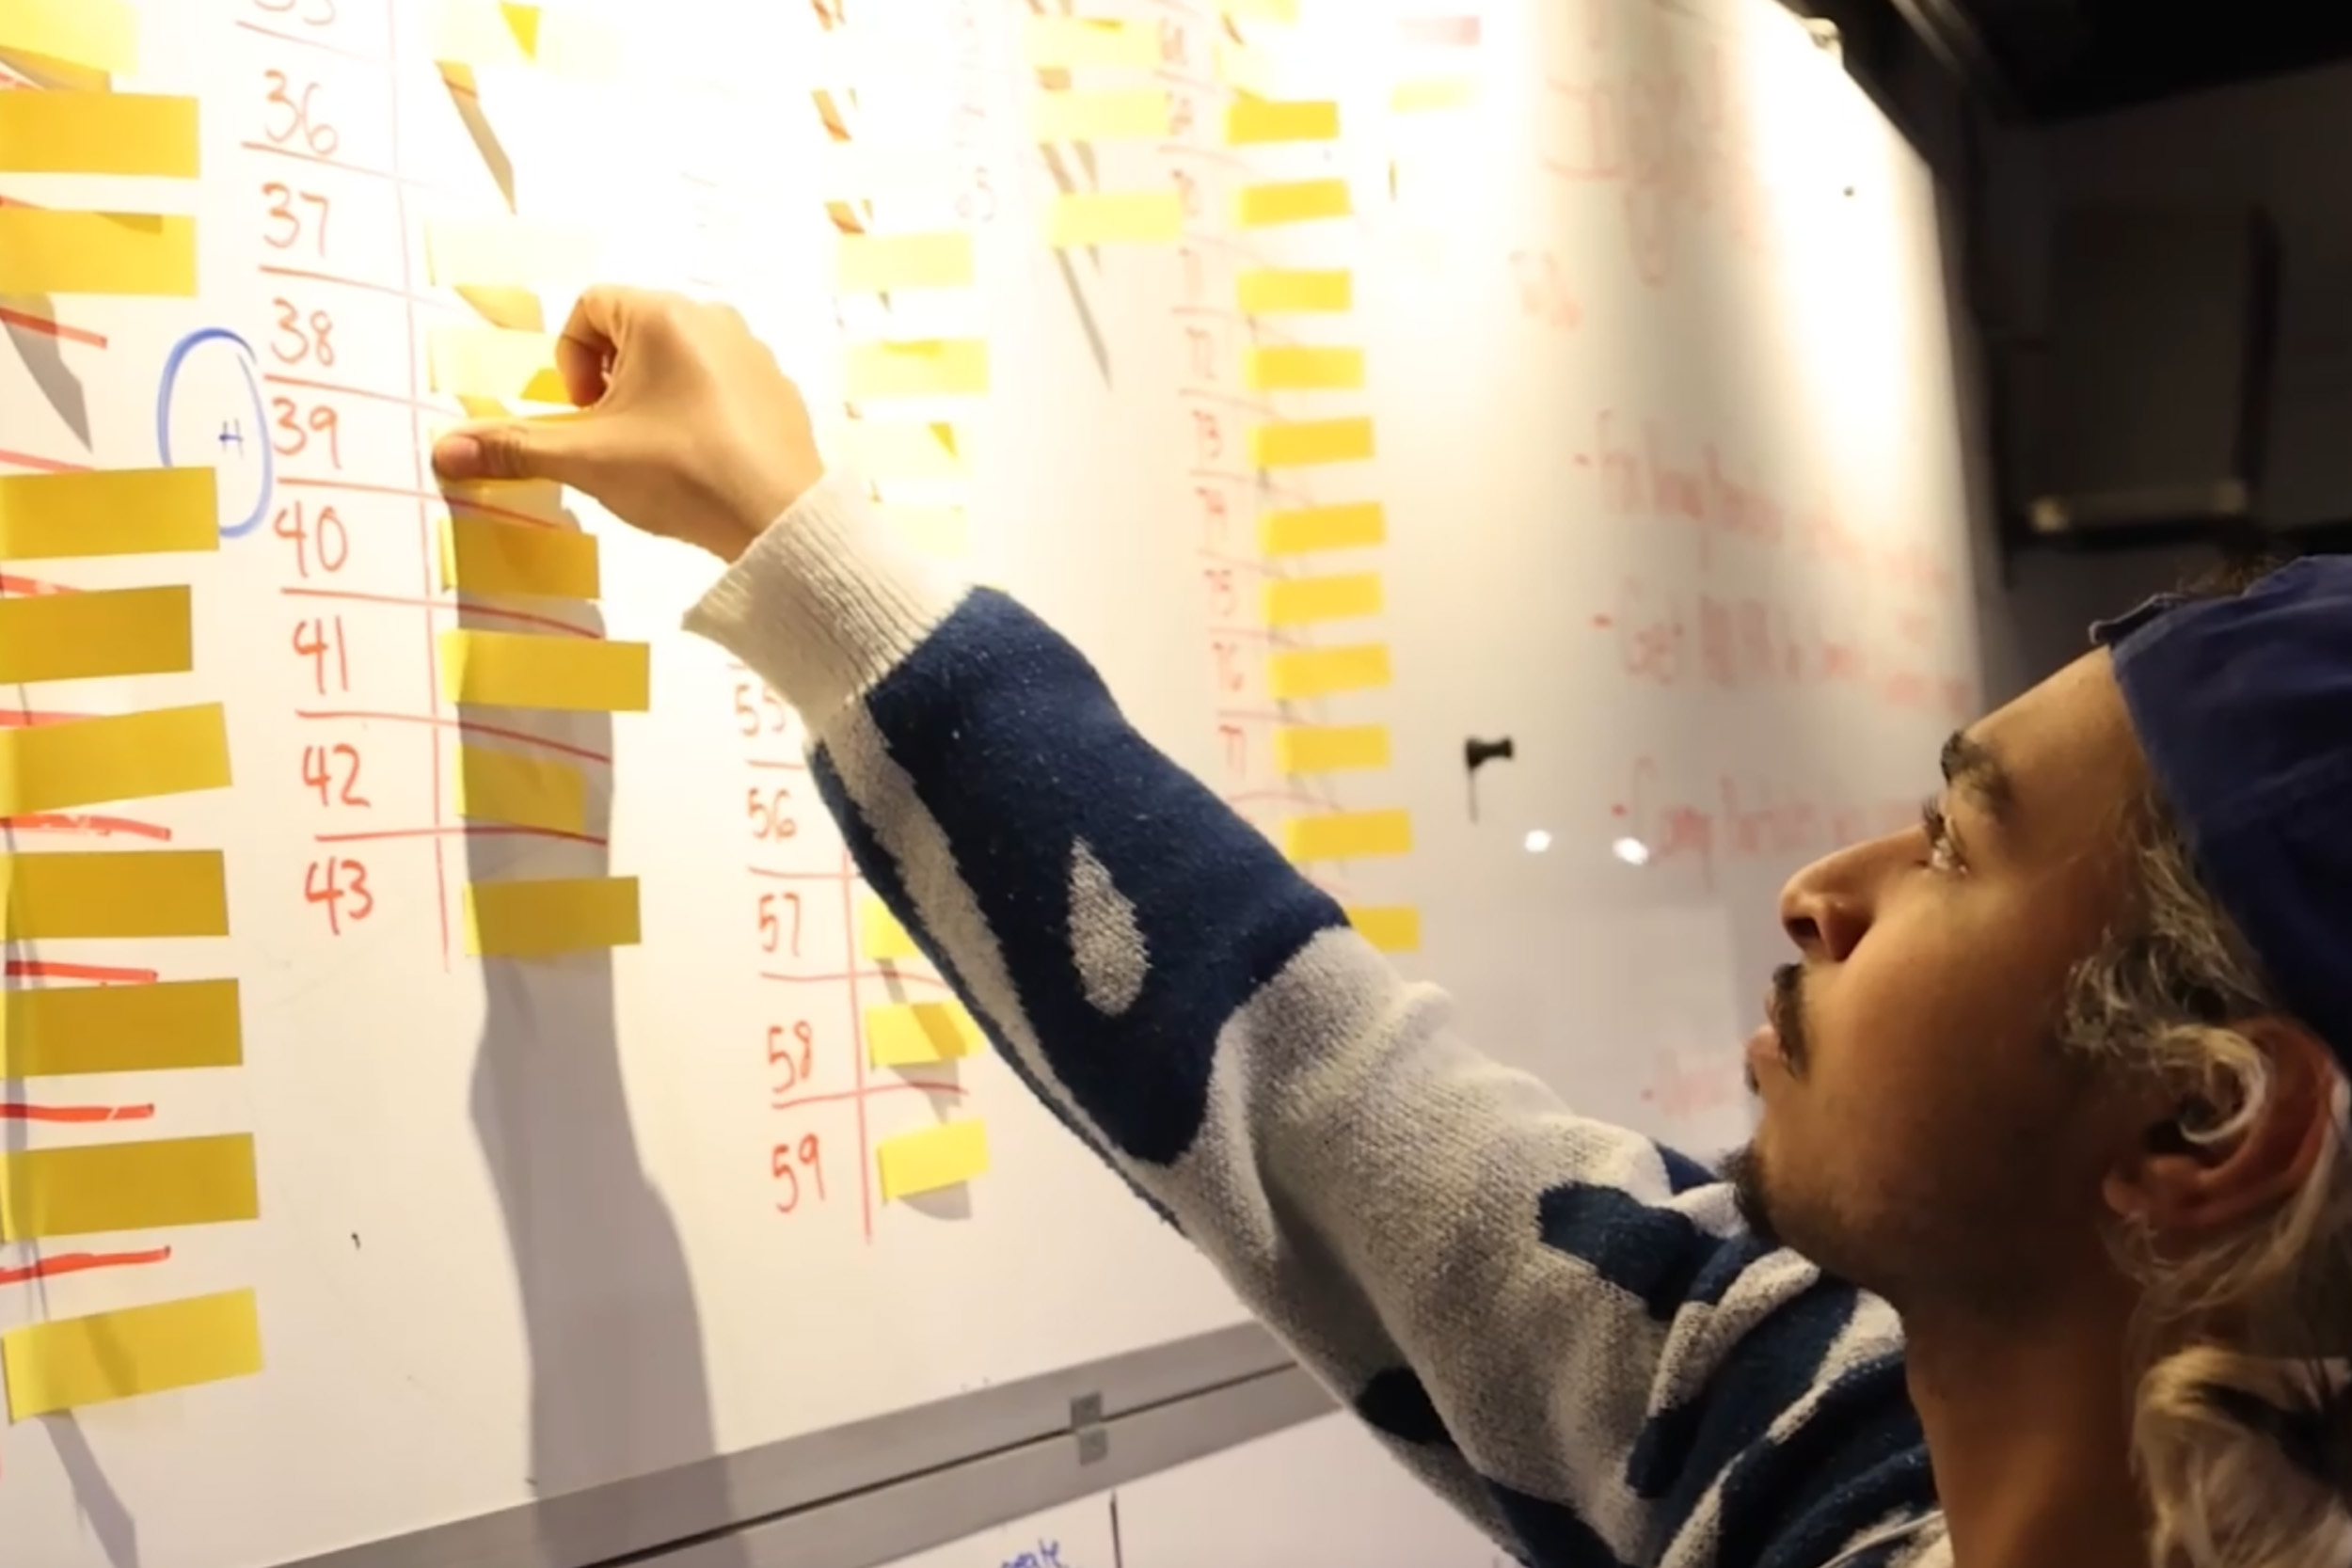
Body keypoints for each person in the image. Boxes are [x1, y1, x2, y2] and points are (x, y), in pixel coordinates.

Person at [433, 288, 2352, 1568]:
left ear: (2196, 1124)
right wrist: (803, 548)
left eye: (1954, 849)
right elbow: (1322, 1090)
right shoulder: (1817, 1454)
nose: (1823, 892)